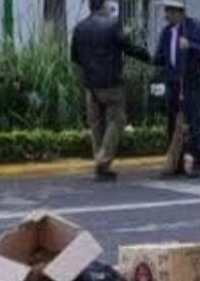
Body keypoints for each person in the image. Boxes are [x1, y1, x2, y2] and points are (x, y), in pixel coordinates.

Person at [71, 0, 151, 181]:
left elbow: (74, 56)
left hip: (90, 85)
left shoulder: (80, 27)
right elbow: (128, 47)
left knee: (96, 124)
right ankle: (102, 159)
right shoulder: (113, 24)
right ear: (103, 6)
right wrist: (148, 56)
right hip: (111, 83)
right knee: (117, 120)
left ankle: (102, 168)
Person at [154, 0, 200, 178]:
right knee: (173, 124)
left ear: (179, 12)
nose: (166, 15)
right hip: (172, 83)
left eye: (169, 12)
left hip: (190, 82)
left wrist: (191, 45)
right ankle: (176, 163)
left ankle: (198, 163)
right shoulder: (166, 32)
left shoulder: (193, 27)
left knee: (194, 123)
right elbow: (160, 56)